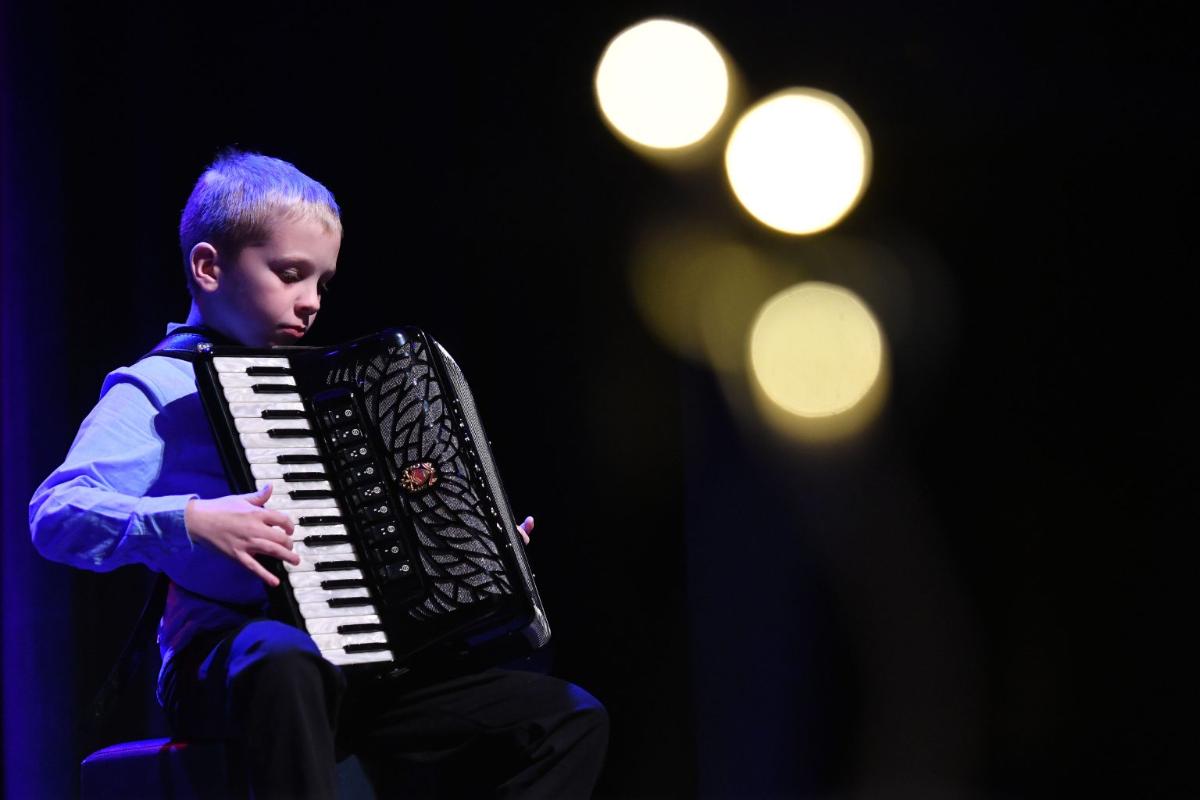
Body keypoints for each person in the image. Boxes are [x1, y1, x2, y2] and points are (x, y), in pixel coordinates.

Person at [29, 149, 608, 799]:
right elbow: (55, 514)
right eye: (289, 274)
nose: (309, 303)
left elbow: (379, 529)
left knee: (563, 718)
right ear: (209, 267)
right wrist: (192, 520)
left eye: (322, 284)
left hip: (360, 670)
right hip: (229, 663)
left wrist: (469, 551)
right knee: (285, 658)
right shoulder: (157, 385)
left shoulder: (328, 386)